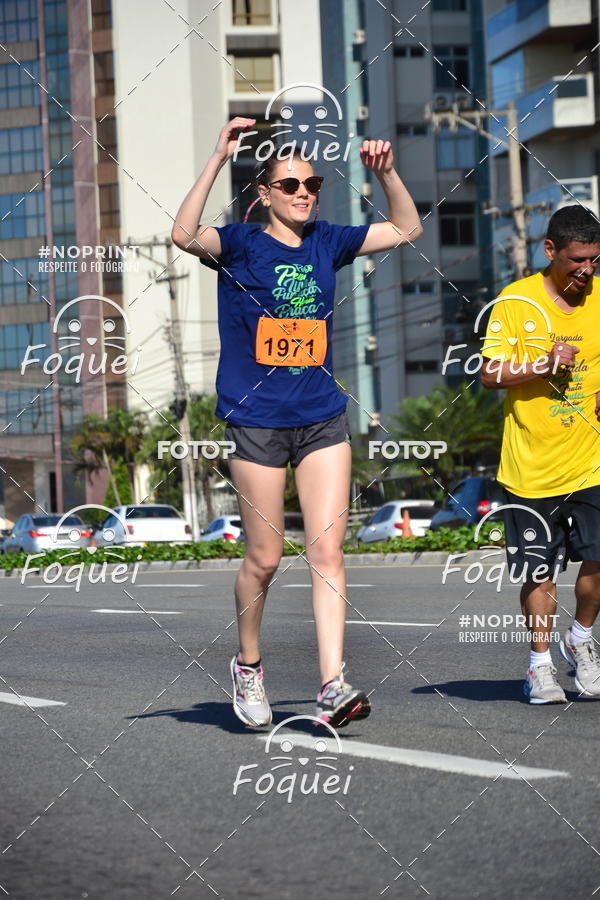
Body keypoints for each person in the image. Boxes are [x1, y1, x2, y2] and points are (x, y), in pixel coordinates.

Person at [172, 116, 423, 727]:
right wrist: (217, 154)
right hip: (256, 420)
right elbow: (182, 234)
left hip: (320, 417)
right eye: (290, 185)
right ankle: (249, 666)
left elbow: (408, 227)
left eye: (312, 183)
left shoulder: (328, 241)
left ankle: (332, 685)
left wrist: (386, 174)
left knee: (327, 553)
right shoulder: (239, 244)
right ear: (264, 194)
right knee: (263, 558)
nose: (305, 192)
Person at [481, 205, 600, 704]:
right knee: (540, 572)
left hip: (591, 461)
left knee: (597, 564)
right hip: (530, 467)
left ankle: (582, 639)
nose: (587, 271)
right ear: (549, 250)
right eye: (577, 261)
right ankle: (539, 667)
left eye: (595, 261)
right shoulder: (516, 302)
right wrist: (541, 362)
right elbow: (489, 374)